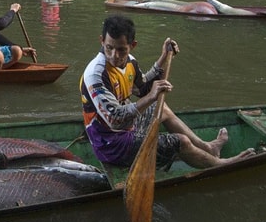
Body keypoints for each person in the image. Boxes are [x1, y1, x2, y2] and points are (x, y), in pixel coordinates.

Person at [80, 15, 255, 169]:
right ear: (102, 41)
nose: (114, 56)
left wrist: (163, 58)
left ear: (132, 46)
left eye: (121, 50)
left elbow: (142, 87)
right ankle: (220, 164)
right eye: (109, 47)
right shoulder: (96, 74)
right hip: (111, 144)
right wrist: (150, 96)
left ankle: (208, 148)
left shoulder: (130, 62)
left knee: (161, 107)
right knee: (181, 142)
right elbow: (115, 120)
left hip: (127, 128)